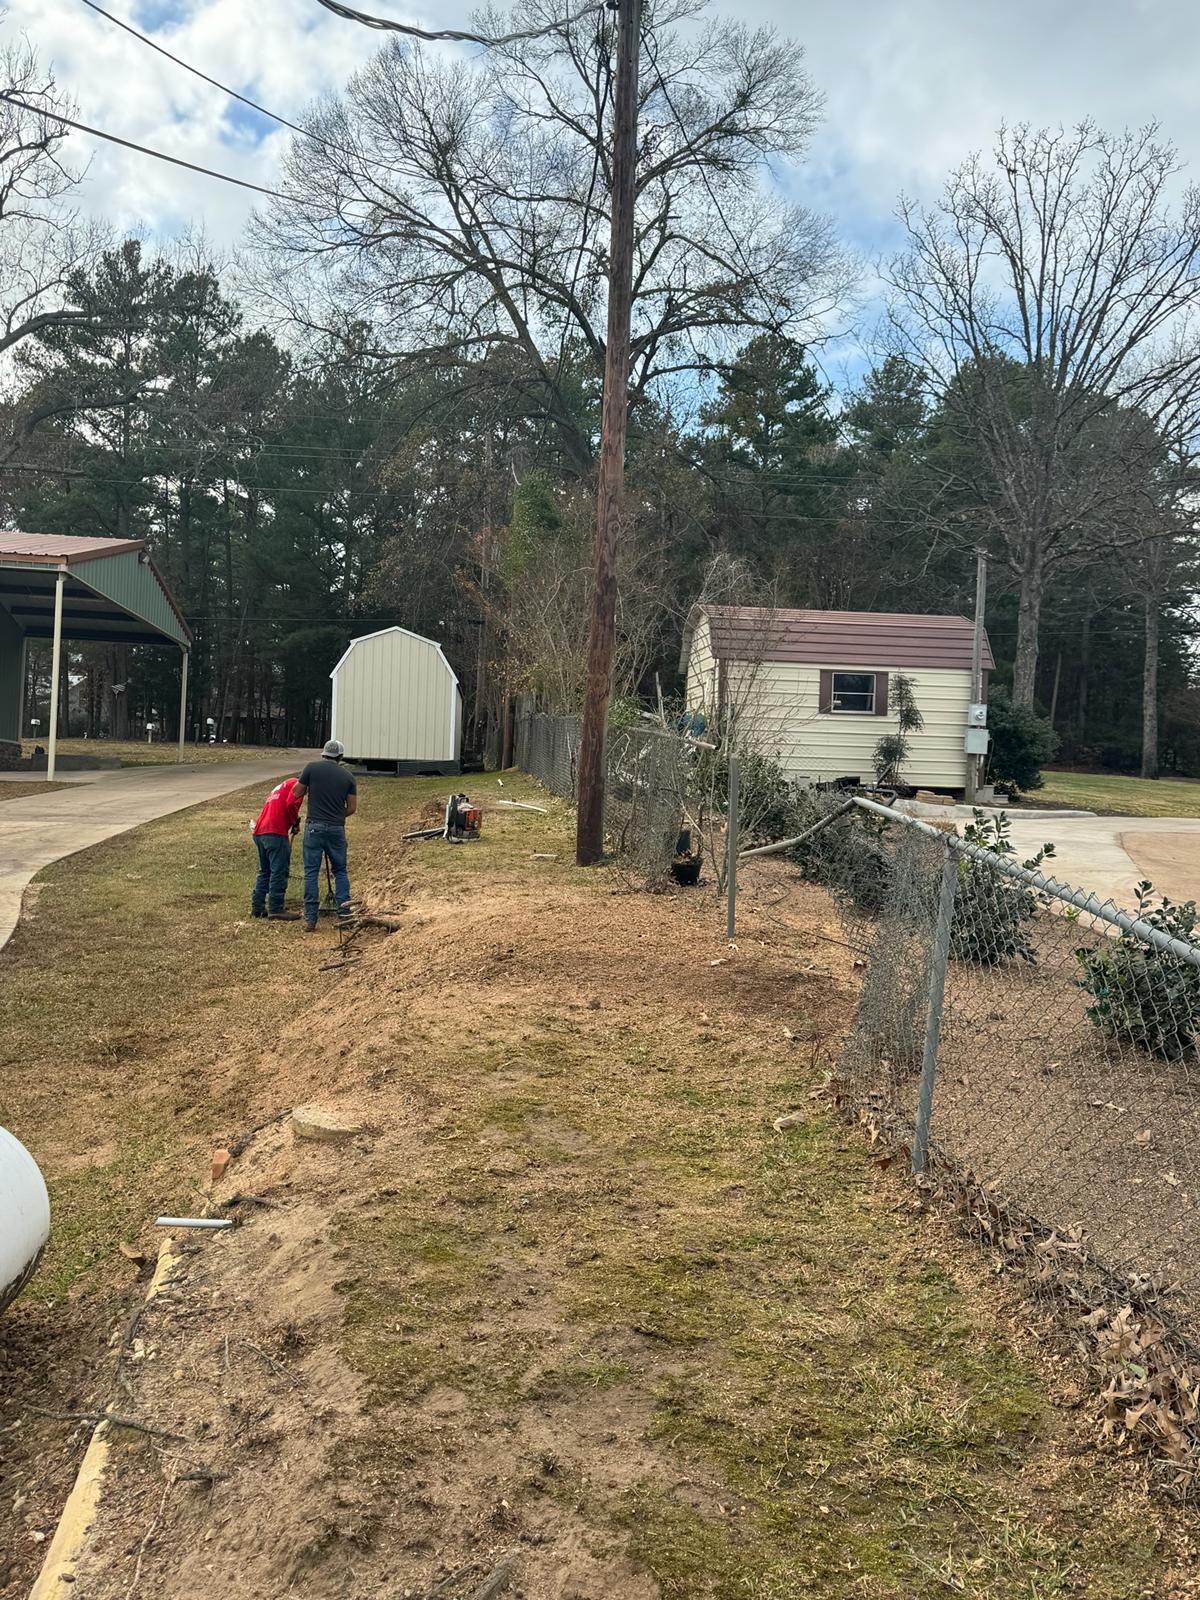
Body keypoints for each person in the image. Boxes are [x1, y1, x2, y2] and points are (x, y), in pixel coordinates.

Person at [295, 739, 357, 931]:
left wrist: (304, 783)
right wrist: (336, 816)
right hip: (336, 829)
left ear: (324, 754)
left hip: (314, 827)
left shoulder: (311, 768)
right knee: (340, 871)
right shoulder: (348, 776)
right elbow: (351, 808)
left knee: (311, 872)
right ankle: (344, 915)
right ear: (340, 757)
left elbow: (297, 792)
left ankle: (310, 919)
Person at [250, 776, 303, 920]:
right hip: (275, 832)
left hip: (260, 831)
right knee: (279, 871)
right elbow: (291, 804)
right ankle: (276, 908)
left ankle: (257, 907)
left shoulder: (284, 785)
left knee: (265, 871)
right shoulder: (297, 786)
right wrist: (294, 821)